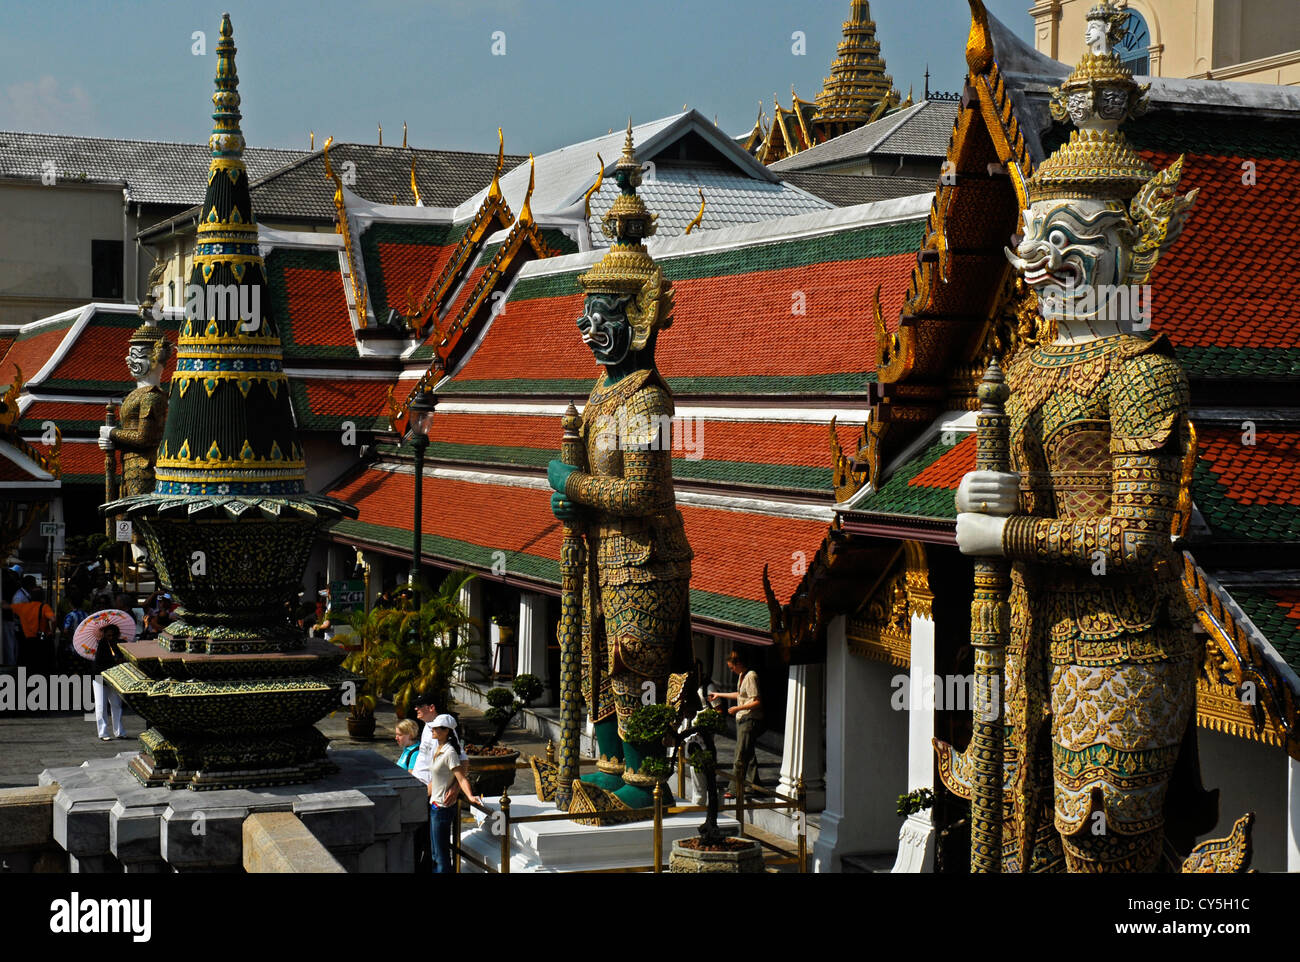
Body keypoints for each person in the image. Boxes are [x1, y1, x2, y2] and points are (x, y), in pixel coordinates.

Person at [427, 713, 483, 873]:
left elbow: (461, 778)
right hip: (435, 806)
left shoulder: (449, 752)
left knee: (441, 854)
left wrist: (470, 796)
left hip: (442, 808)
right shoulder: (438, 748)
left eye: (436, 728)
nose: (433, 730)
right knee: (436, 852)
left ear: (446, 731)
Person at [711, 649, 762, 799]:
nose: (732, 671)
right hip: (742, 718)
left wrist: (738, 708)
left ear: (738, 663)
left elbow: (757, 701)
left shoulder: (751, 676)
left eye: (732, 667)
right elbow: (740, 695)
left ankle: (734, 788)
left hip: (749, 718)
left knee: (740, 755)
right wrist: (719, 695)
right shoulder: (742, 676)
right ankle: (755, 785)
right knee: (749, 754)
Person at [92, 623, 127, 741]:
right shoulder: (101, 645)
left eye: (113, 635)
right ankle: (103, 733)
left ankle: (119, 731)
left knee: (116, 704)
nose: (111, 637)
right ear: (104, 635)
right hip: (100, 678)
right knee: (101, 706)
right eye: (108, 635)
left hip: (115, 678)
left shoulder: (121, 643)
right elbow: (99, 663)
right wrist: (114, 662)